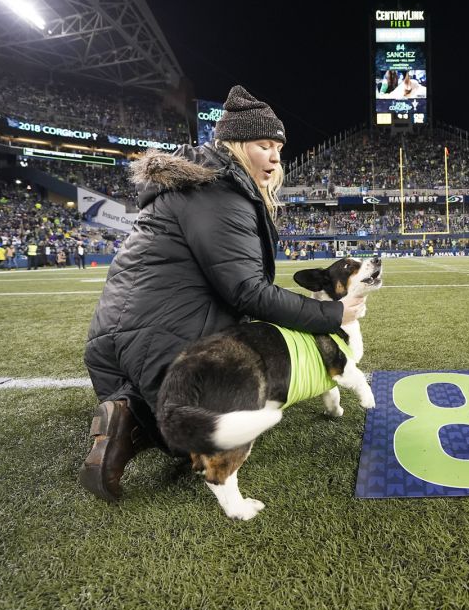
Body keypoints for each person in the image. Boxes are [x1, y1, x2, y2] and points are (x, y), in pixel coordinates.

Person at [79, 85, 369, 502]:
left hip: (118, 340)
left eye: (279, 148)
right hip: (161, 338)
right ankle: (129, 418)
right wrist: (332, 314)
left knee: (195, 418)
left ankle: (129, 408)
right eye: (263, 145)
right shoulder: (220, 193)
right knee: (206, 440)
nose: (275, 156)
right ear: (234, 145)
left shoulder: (204, 185)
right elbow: (247, 291)